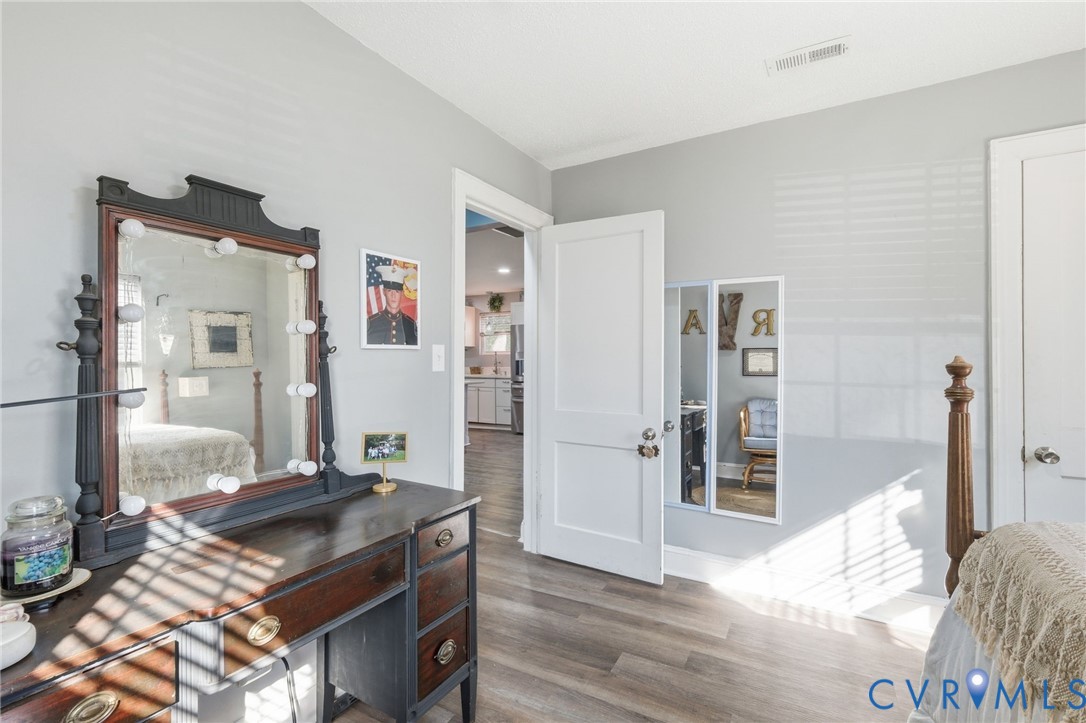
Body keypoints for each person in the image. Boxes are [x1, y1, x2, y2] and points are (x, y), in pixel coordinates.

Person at [367, 265, 418, 345]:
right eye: (390, 290)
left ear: (401, 294)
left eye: (397, 291)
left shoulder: (411, 324)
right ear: (384, 292)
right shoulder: (372, 323)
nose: (393, 295)